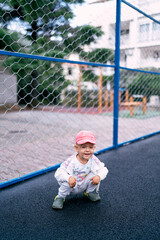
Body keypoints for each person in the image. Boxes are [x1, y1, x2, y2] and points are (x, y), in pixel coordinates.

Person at [52, 130, 108, 210]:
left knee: (95, 175)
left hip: (84, 183)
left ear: (94, 148)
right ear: (76, 148)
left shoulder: (93, 159)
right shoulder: (71, 161)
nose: (87, 150)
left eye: (91, 147)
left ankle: (89, 191)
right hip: (72, 185)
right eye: (83, 147)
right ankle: (60, 197)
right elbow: (59, 172)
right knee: (66, 183)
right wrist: (69, 178)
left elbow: (104, 169)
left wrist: (98, 176)